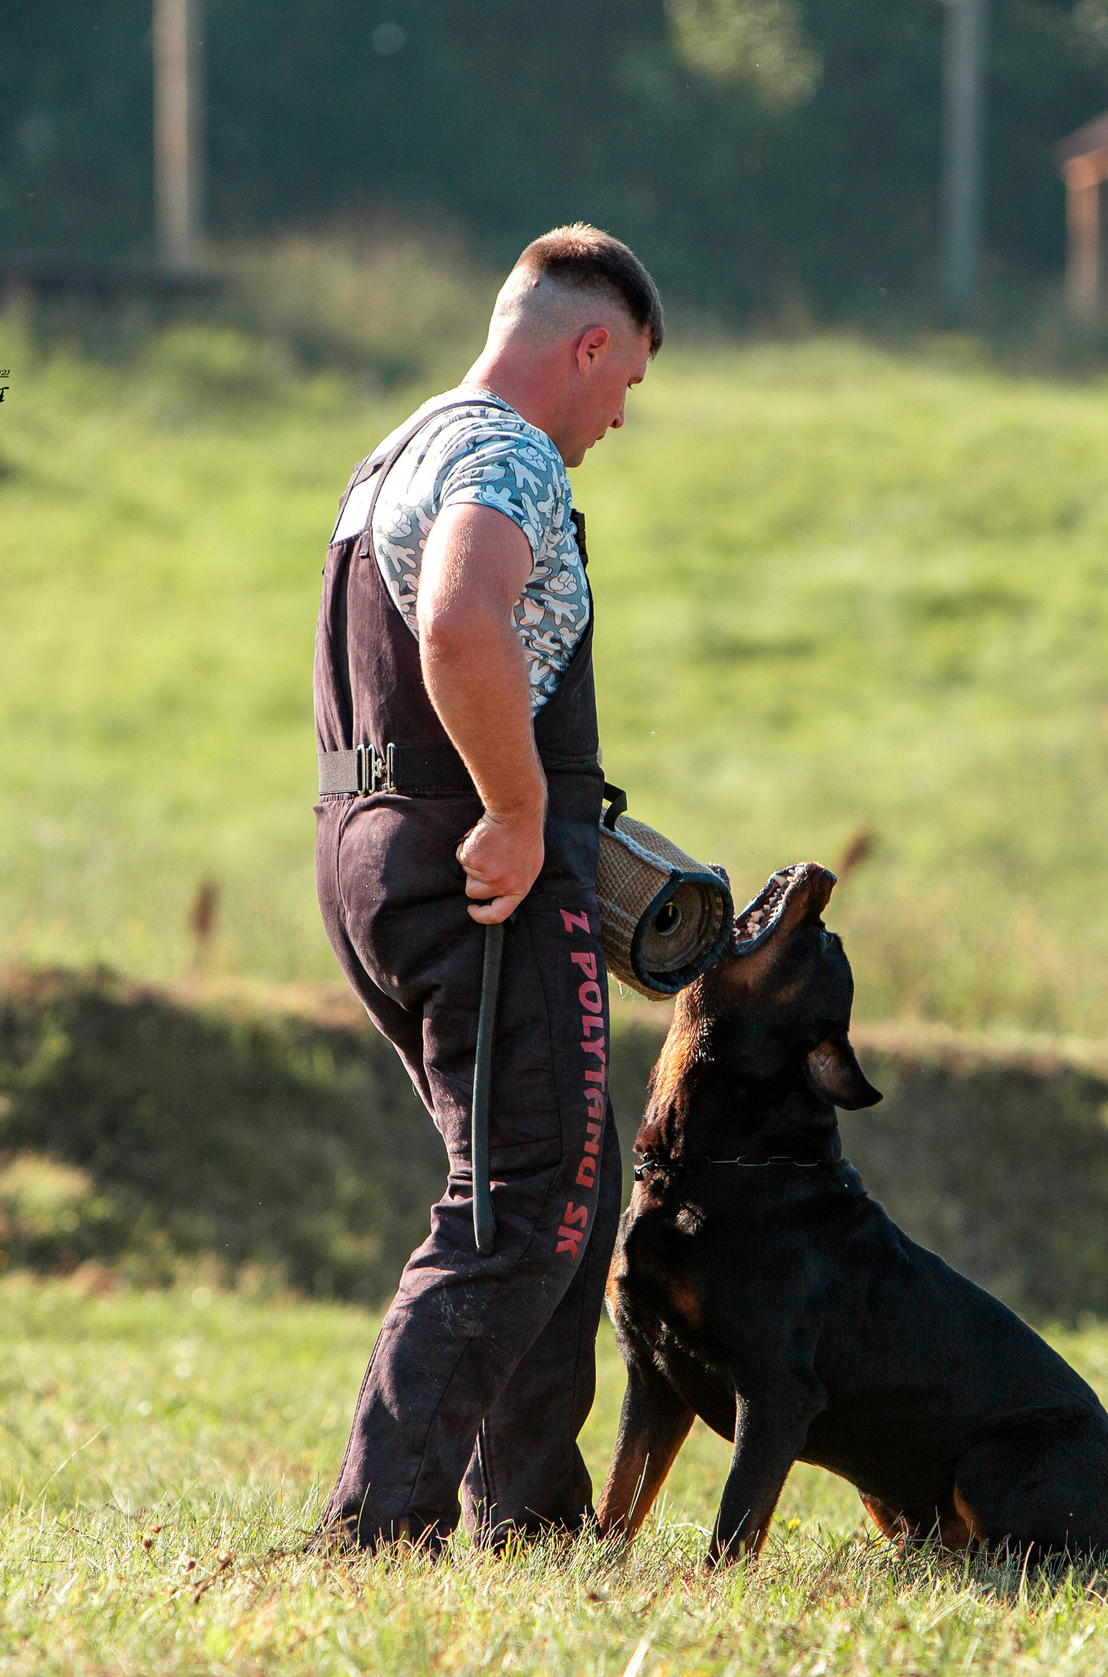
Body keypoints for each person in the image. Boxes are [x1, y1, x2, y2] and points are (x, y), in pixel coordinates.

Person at [310, 224, 659, 1549]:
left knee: (564, 1177)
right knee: (520, 1195)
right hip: (474, 862)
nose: (617, 419)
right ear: (588, 347)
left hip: (371, 842)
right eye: (624, 385)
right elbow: (461, 623)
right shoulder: (507, 452)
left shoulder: (395, 449)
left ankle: (532, 1515)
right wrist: (518, 811)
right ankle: (378, 1530)